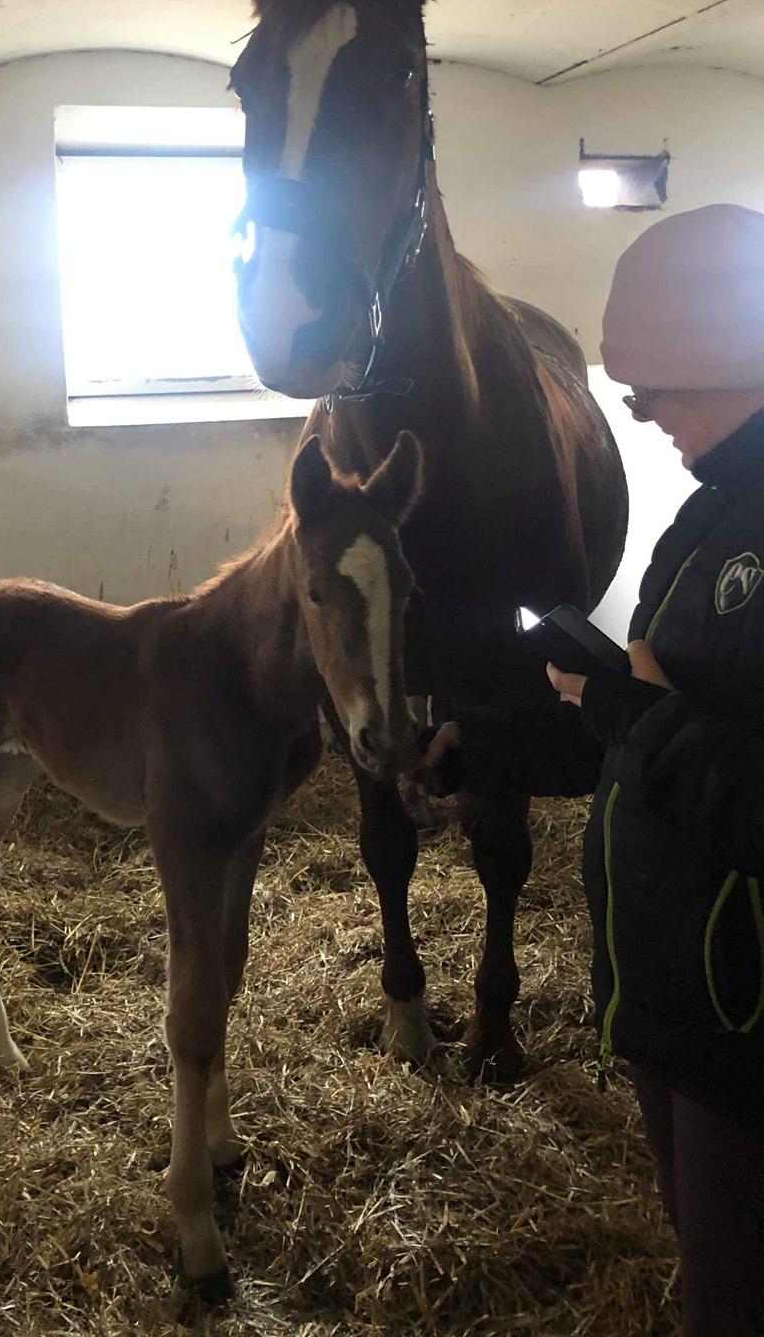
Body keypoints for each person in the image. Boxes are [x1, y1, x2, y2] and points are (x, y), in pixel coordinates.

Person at [414, 203, 764, 1337]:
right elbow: (649, 729)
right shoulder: (706, 521)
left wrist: (626, 702)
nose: (638, 410)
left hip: (745, 1018)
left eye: (658, 383)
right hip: (669, 993)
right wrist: (506, 733)